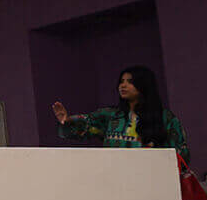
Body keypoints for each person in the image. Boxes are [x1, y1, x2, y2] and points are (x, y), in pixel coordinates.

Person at [52, 65, 191, 160]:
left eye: (130, 82)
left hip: (152, 184)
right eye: (121, 81)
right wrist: (68, 120)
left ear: (144, 85)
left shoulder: (165, 118)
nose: (123, 85)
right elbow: (87, 124)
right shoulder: (111, 115)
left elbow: (180, 154)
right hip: (116, 182)